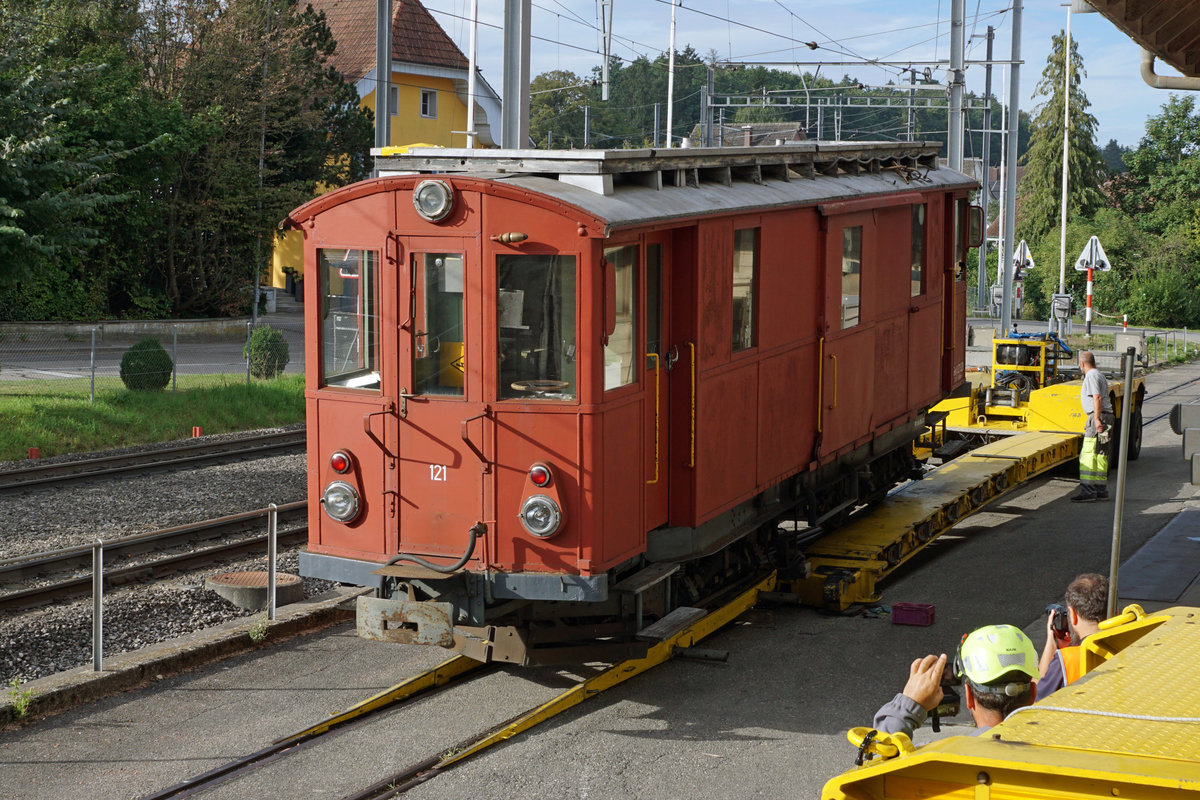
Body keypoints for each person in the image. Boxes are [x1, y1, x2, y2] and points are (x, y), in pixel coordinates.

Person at [872, 624, 1039, 739]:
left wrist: (907, 705)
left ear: (969, 697)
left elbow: (875, 763)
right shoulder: (1058, 750)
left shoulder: (937, 760)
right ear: (1033, 693)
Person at [1038, 573, 1109, 697]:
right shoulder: (1132, 645)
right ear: (1117, 611)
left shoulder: (1067, 660)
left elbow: (1038, 696)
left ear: (1073, 615)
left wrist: (1052, 642)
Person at [1073, 351, 1114, 502]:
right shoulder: (1100, 375)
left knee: (1088, 453)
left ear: (1082, 364)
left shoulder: (1090, 376)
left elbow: (1097, 397)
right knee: (1101, 453)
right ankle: (1100, 489)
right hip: (1107, 416)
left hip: (1098, 417)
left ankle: (1088, 492)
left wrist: (1096, 419)